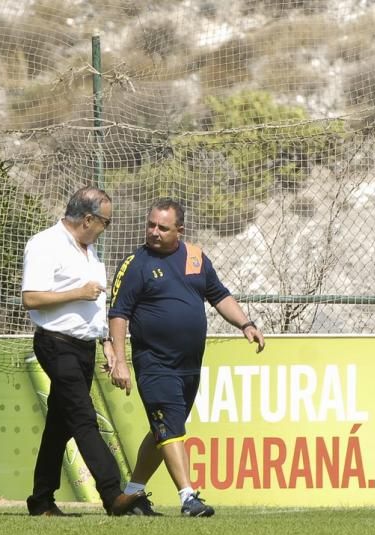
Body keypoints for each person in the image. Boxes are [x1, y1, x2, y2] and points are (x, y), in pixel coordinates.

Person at [108, 198, 265, 517]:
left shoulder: (195, 257)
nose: (153, 232)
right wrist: (120, 360)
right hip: (154, 363)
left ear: (179, 230)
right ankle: (188, 498)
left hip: (189, 366)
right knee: (169, 427)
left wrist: (246, 324)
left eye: (162, 227)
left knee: (163, 431)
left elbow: (219, 294)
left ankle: (130, 496)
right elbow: (119, 313)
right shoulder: (135, 264)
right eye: (150, 224)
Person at [21, 186, 145, 517]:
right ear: (88, 219)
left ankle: (41, 500)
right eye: (105, 222)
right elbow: (31, 297)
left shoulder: (89, 253)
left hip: (84, 347)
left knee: (59, 425)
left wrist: (106, 343)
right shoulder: (44, 245)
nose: (106, 229)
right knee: (83, 416)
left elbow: (94, 306)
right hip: (56, 343)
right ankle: (112, 493)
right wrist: (78, 292)